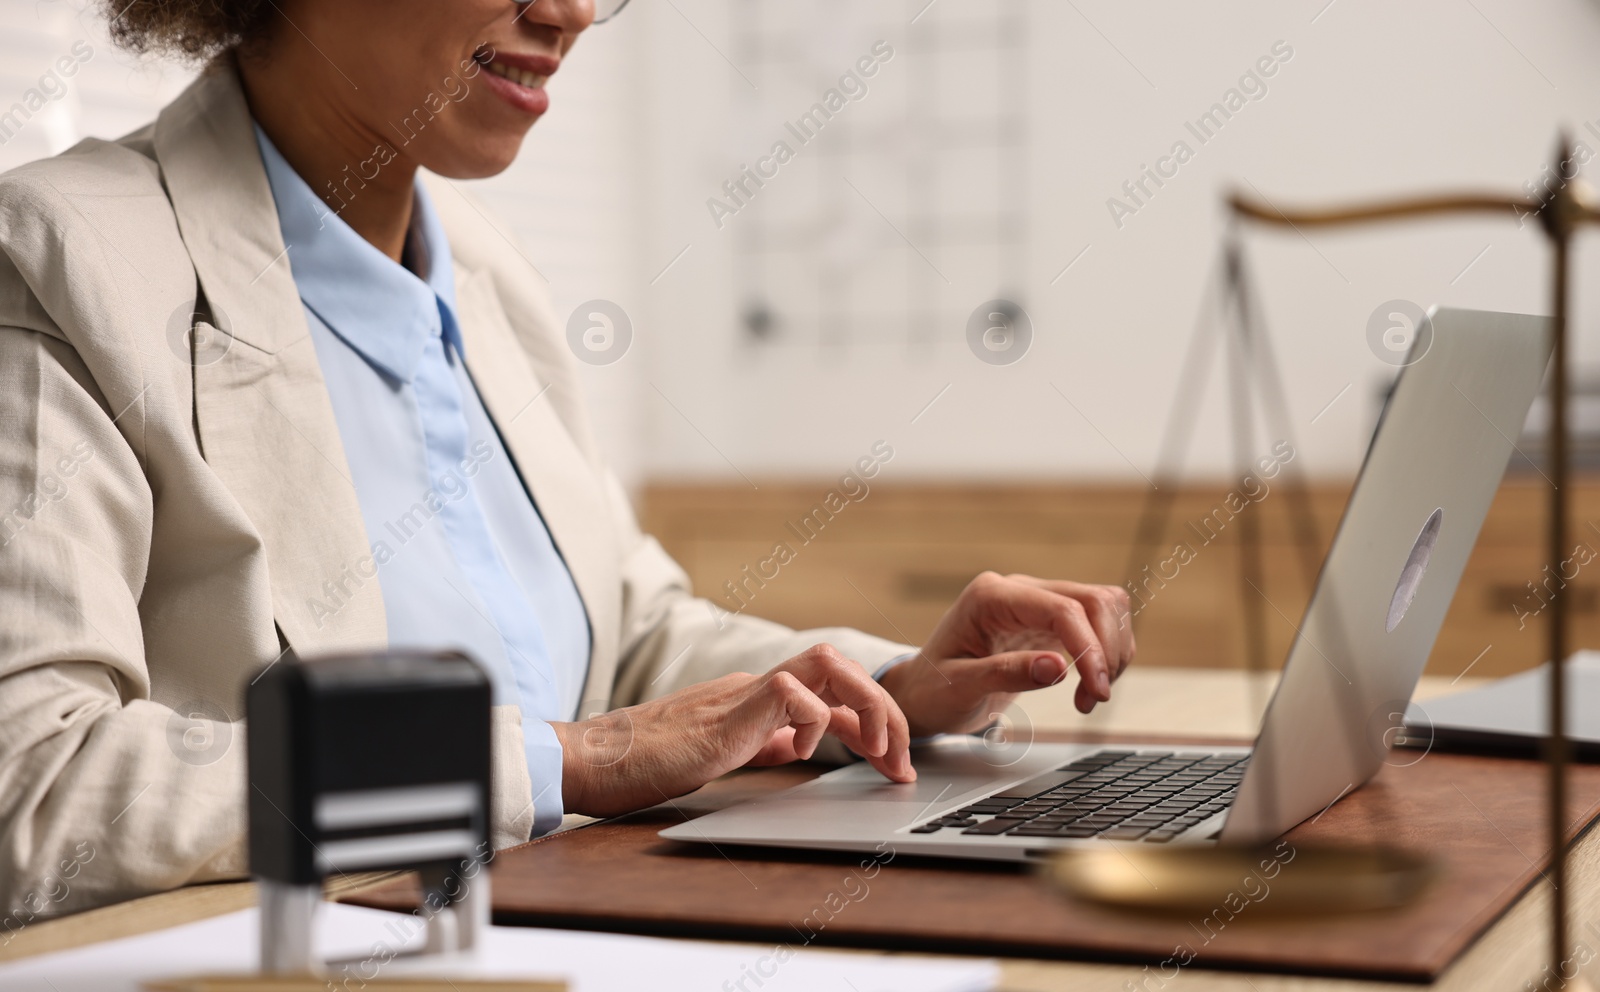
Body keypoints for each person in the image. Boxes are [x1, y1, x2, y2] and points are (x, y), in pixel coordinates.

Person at [0, 0, 1134, 916]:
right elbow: (35, 790)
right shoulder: (68, 261)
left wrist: (888, 688)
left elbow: (633, 637)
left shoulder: (492, 279)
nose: (573, 11)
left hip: (588, 932)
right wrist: (556, 761)